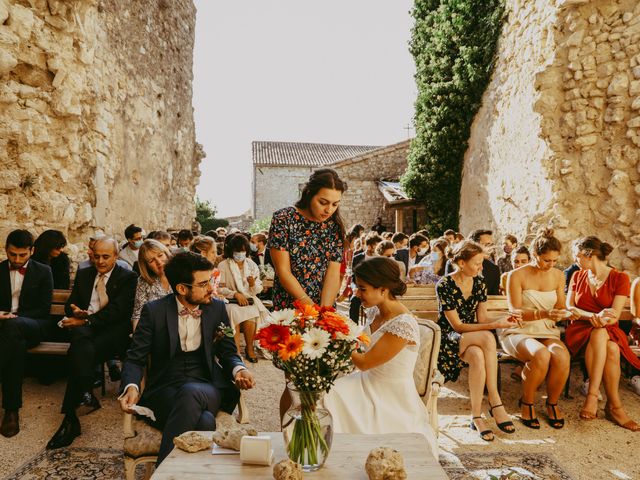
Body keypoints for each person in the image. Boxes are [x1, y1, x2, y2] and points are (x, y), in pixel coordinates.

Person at [118, 251, 255, 464]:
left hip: (207, 385)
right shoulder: (154, 311)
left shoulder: (217, 307)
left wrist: (239, 369)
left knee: (192, 392)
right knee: (205, 420)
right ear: (182, 289)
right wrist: (131, 387)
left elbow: (228, 352)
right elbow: (135, 358)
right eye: (203, 284)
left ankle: (162, 474)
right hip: (165, 388)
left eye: (210, 280)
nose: (211, 288)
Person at [323, 257, 438, 457]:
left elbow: (365, 363)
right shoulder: (376, 312)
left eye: (363, 288)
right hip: (365, 382)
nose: (358, 294)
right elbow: (361, 345)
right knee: (323, 390)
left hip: (388, 394)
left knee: (330, 395)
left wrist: (337, 335)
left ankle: (340, 454)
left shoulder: (403, 324)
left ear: (383, 289)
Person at [47, 237, 137, 449]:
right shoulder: (85, 274)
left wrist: (86, 320)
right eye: (96, 256)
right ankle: (71, 416)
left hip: (113, 333)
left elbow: (119, 312)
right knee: (81, 343)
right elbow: (71, 303)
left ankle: (79, 405)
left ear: (116, 256)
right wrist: (76, 311)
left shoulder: (128, 277)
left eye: (106, 256)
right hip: (86, 333)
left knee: (79, 345)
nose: (100, 261)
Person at [436, 240, 517, 441]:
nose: (481, 268)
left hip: (472, 338)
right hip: (449, 337)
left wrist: (501, 320)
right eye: (477, 263)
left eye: (482, 263)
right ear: (461, 263)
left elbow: (482, 319)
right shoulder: (445, 284)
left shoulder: (479, 282)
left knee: (478, 356)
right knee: (488, 337)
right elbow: (457, 326)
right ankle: (496, 401)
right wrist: (495, 326)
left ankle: (476, 416)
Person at [565, 236, 639, 431]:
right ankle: (614, 407)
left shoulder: (619, 278)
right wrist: (592, 316)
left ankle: (596, 397)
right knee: (607, 342)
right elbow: (569, 307)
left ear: (588, 254)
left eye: (577, 256)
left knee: (610, 345)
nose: (575, 261)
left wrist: (602, 319)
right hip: (580, 329)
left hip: (607, 329)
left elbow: (613, 316)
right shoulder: (577, 276)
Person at [502, 228, 570, 430]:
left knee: (562, 356)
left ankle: (552, 403)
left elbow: (560, 305)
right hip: (518, 330)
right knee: (541, 355)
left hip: (547, 329)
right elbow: (515, 311)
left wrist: (562, 312)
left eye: (555, 261)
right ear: (534, 255)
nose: (551, 265)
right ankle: (527, 402)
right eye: (547, 260)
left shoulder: (558, 275)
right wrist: (545, 314)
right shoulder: (516, 275)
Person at [0, 229, 54, 437]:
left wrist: (14, 317)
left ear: (31, 251)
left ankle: (12, 411)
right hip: (6, 329)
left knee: (15, 329)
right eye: (12, 254)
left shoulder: (43, 271)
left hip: (35, 325)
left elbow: (43, 309)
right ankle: (11, 411)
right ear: (6, 250)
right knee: (16, 344)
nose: (17, 259)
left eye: (22, 255)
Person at [268, 168, 345, 311]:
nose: (329, 210)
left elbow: (333, 273)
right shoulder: (284, 218)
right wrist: (311, 308)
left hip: (323, 305)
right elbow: (283, 271)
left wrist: (324, 310)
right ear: (309, 193)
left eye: (335, 204)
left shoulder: (334, 226)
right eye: (323, 202)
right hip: (289, 306)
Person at [217, 233, 269, 362]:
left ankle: (250, 348)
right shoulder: (223, 265)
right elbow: (219, 288)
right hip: (230, 300)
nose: (240, 254)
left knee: (252, 312)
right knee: (233, 311)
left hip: (249, 300)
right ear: (231, 251)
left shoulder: (251, 265)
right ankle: (236, 351)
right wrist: (235, 294)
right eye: (237, 251)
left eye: (243, 251)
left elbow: (258, 288)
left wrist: (252, 285)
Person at [131, 240, 173, 332]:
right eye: (151, 260)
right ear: (146, 265)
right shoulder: (144, 281)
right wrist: (137, 338)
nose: (158, 262)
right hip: (154, 330)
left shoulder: (182, 274)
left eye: (160, 255)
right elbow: (138, 314)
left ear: (166, 253)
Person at [445, 229, 501, 295]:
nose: (490, 248)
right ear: (473, 246)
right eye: (486, 244)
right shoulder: (454, 264)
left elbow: (494, 298)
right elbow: (449, 290)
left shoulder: (494, 270)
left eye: (491, 244)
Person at [349, 234, 383, 322]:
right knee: (354, 301)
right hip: (360, 288)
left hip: (375, 288)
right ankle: (354, 326)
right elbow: (353, 276)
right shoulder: (358, 257)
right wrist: (355, 288)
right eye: (376, 246)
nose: (378, 248)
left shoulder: (380, 259)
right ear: (369, 246)